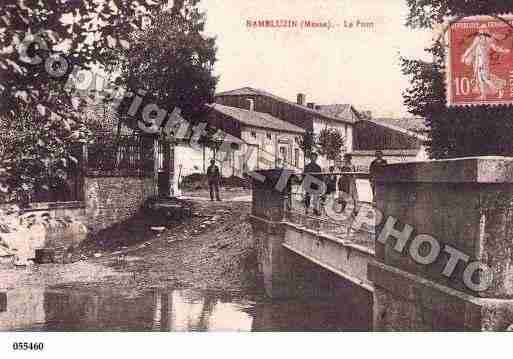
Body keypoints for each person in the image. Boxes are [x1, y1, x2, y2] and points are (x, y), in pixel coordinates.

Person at [461, 24, 510, 100]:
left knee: (485, 78)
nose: (482, 31)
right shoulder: (479, 38)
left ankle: (499, 90)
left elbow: (495, 48)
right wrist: (465, 55)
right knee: (480, 78)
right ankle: (483, 95)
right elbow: (471, 47)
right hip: (478, 60)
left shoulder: (488, 39)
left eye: (483, 29)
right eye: (481, 29)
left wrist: (504, 50)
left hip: (483, 61)